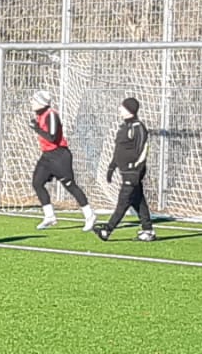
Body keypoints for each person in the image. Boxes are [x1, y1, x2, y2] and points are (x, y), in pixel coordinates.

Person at [27, 89, 94, 230]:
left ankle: (89, 215)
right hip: (47, 156)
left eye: (34, 100)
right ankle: (49, 216)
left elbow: (52, 137)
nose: (31, 103)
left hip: (60, 155)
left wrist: (36, 128)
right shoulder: (40, 115)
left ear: (41, 102)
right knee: (37, 183)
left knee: (70, 185)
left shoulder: (51, 115)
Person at [95, 96, 158, 242]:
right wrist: (112, 166)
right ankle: (148, 230)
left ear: (130, 110)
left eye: (122, 107)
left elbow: (143, 150)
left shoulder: (138, 127)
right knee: (137, 200)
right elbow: (119, 150)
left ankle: (107, 230)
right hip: (126, 172)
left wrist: (136, 168)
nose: (119, 109)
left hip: (132, 172)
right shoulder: (124, 127)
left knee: (123, 201)